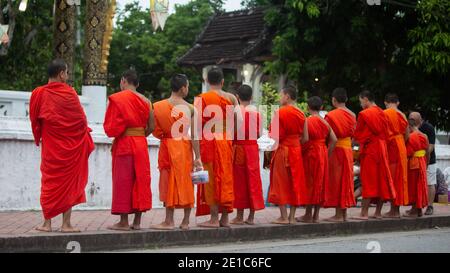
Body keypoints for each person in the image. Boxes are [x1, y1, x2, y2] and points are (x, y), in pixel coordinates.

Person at [30, 59, 95, 233]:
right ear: (61, 74)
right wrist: (83, 134)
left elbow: (35, 121)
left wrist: (39, 136)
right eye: (67, 72)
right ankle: (66, 224)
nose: (67, 75)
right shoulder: (69, 93)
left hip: (51, 147)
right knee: (69, 183)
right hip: (71, 147)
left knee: (49, 182)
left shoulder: (38, 93)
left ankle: (47, 223)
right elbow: (81, 121)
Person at [103, 69, 154, 231]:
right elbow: (152, 126)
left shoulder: (118, 99)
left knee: (123, 180)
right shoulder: (146, 101)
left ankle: (123, 222)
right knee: (140, 179)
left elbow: (111, 128)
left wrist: (124, 134)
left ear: (123, 81)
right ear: (137, 84)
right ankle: (137, 222)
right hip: (140, 143)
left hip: (124, 143)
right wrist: (139, 134)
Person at [151, 74, 203, 230]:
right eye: (187, 86)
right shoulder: (191, 108)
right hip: (184, 148)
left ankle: (169, 220)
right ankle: (186, 221)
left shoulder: (157, 106)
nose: (188, 89)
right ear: (183, 89)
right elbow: (194, 135)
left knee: (167, 181)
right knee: (187, 182)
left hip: (167, 145)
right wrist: (198, 157)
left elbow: (154, 129)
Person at [194, 67, 239, 228]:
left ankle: (214, 218)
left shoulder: (202, 98)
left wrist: (196, 153)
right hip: (225, 141)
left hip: (209, 141)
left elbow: (197, 127)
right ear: (222, 81)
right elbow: (237, 122)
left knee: (211, 178)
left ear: (206, 81)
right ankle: (225, 218)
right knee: (226, 177)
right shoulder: (232, 98)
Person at [353, 90, 396, 220]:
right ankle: (377, 212)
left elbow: (358, 135)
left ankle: (364, 213)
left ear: (365, 99)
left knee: (368, 181)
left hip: (370, 150)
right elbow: (388, 133)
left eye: (361, 101)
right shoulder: (383, 113)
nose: (361, 104)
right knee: (382, 180)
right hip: (382, 150)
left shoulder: (364, 114)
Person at [268, 86, 308, 225]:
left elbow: (275, 135)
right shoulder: (301, 113)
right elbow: (305, 138)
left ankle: (283, 217)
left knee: (281, 182)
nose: (280, 98)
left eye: (281, 95)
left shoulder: (280, 112)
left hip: (283, 149)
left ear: (287, 96)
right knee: (295, 182)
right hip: (296, 150)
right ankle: (292, 217)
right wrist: (295, 144)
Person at [298, 96, 337, 223]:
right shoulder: (325, 122)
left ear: (308, 107)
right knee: (320, 183)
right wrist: (327, 153)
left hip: (311, 153)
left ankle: (307, 214)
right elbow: (334, 140)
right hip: (322, 152)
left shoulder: (307, 121)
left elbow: (305, 139)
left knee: (310, 183)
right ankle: (316, 215)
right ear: (321, 108)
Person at [230, 84, 265, 225]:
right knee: (253, 181)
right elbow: (258, 134)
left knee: (239, 182)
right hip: (251, 149)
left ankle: (239, 216)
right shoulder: (257, 114)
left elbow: (231, 134)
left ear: (237, 97)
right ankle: (251, 217)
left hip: (238, 148)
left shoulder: (235, 113)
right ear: (251, 97)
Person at [323, 88, 357, 222]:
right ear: (346, 99)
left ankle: (338, 214)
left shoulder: (331, 115)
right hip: (348, 149)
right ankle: (343, 213)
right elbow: (354, 134)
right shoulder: (353, 115)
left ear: (334, 100)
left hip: (336, 149)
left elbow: (327, 136)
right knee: (346, 180)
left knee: (337, 180)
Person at [383, 93, 409, 218]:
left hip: (391, 147)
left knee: (392, 177)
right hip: (401, 146)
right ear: (397, 102)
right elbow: (407, 135)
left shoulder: (385, 113)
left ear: (385, 102)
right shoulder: (402, 114)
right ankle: (395, 209)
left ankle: (394, 210)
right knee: (400, 178)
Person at [409, 112, 437, 215]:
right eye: (410, 119)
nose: (412, 121)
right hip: (420, 160)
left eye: (414, 119)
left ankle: (429, 206)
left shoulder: (428, 128)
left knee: (430, 183)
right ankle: (417, 208)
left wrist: (423, 158)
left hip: (426, 160)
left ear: (420, 120)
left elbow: (430, 146)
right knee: (417, 185)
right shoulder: (413, 131)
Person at [404, 117, 430, 217]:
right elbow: (427, 152)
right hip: (422, 162)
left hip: (414, 163)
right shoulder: (424, 135)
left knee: (414, 187)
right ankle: (418, 209)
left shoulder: (411, 137)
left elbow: (408, 153)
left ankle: (414, 210)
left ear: (409, 127)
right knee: (421, 186)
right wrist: (426, 164)